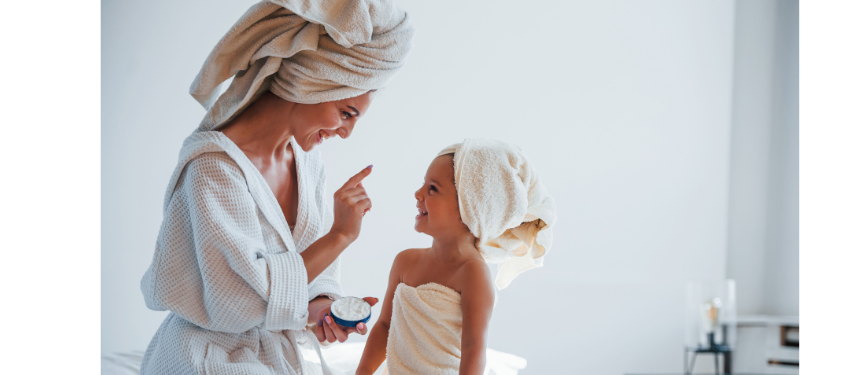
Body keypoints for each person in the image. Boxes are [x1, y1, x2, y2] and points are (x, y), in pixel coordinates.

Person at [138, 1, 415, 374]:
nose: (347, 132)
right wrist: (340, 236)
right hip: (205, 357)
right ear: (313, 82)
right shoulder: (212, 167)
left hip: (272, 357)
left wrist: (321, 310)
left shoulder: (307, 164)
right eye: (346, 113)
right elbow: (235, 304)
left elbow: (301, 282)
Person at [355, 139, 557, 375]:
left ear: (469, 209)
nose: (418, 194)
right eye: (423, 184)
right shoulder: (404, 261)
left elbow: (474, 347)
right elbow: (384, 326)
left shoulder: (472, 272)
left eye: (433, 189)